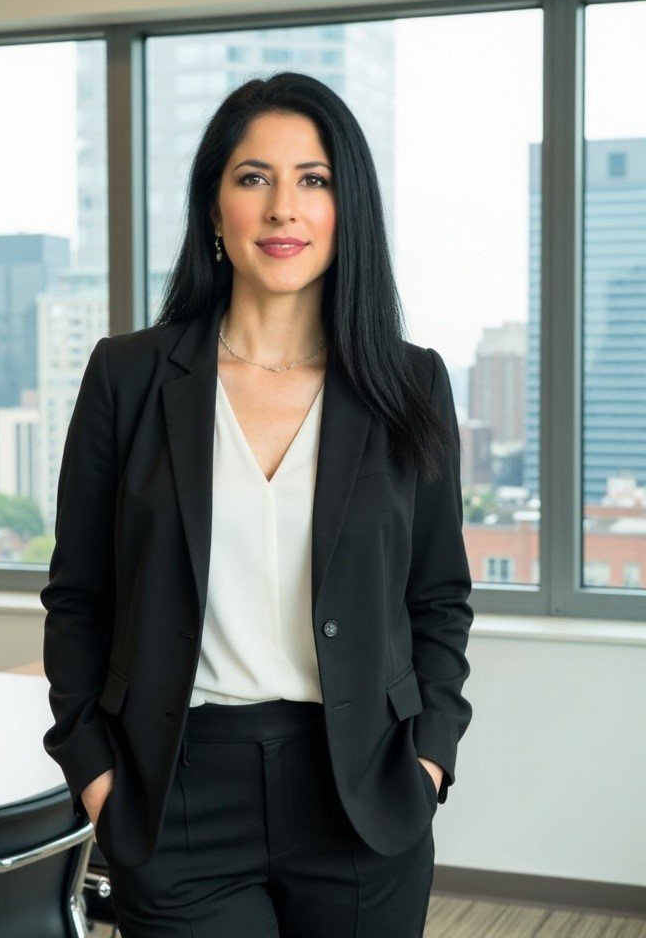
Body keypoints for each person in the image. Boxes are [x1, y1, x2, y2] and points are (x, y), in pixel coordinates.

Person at [41, 70, 474, 937]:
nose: (284, 208)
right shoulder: (128, 377)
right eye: (253, 178)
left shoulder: (409, 382)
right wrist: (93, 772)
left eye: (313, 180)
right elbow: (79, 596)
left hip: (362, 791)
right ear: (214, 209)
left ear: (346, 210)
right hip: (177, 793)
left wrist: (428, 759)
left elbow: (437, 599)